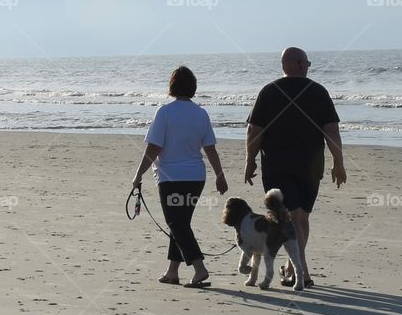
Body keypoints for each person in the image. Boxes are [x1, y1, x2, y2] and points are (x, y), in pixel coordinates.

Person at [245, 47, 346, 288]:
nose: (309, 67)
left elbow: (254, 131)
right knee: (300, 219)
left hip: (276, 164)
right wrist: (338, 163)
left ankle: (294, 269)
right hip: (310, 165)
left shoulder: (269, 92)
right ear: (300, 64)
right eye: (308, 63)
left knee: (296, 219)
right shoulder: (318, 92)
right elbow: (331, 131)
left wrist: (250, 161)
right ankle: (302, 273)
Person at [132, 66, 228, 288]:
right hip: (196, 176)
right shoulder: (201, 113)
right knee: (181, 223)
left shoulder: (165, 113)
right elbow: (210, 149)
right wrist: (220, 175)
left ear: (172, 86)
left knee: (177, 224)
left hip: (171, 176)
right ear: (193, 88)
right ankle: (172, 272)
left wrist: (138, 174)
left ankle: (199, 268)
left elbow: (154, 148)